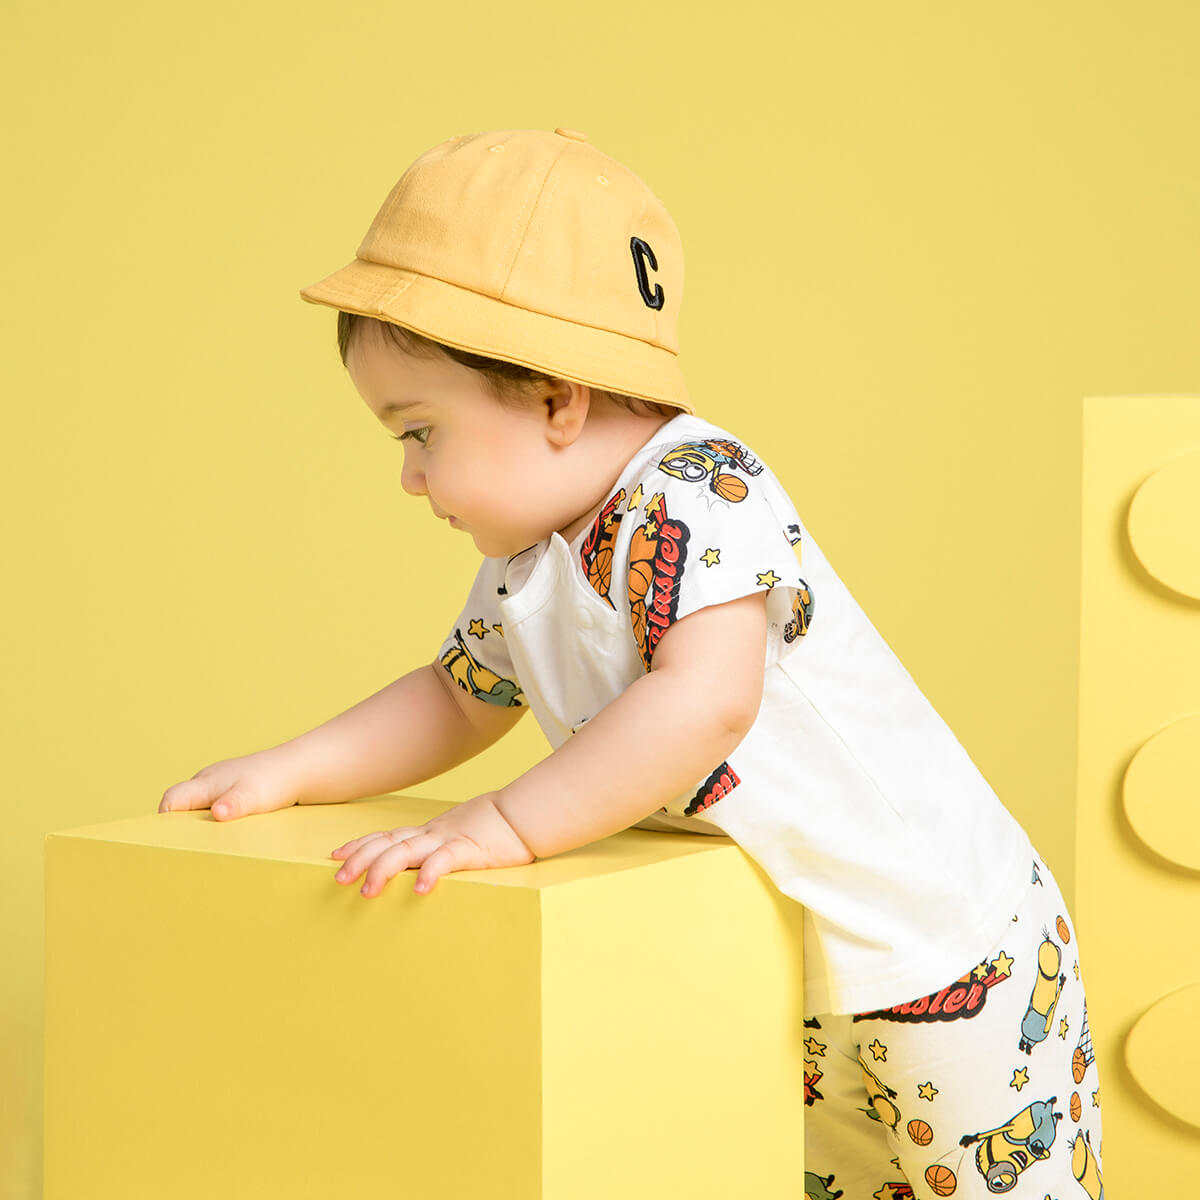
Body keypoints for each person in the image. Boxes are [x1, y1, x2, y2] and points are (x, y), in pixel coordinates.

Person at [159, 127, 1104, 1198]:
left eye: (419, 433)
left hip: (950, 948)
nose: (411, 480)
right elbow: (455, 700)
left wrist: (506, 823)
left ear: (556, 399)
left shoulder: (697, 486)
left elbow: (704, 702)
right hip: (799, 979)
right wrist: (289, 771)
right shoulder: (528, 561)